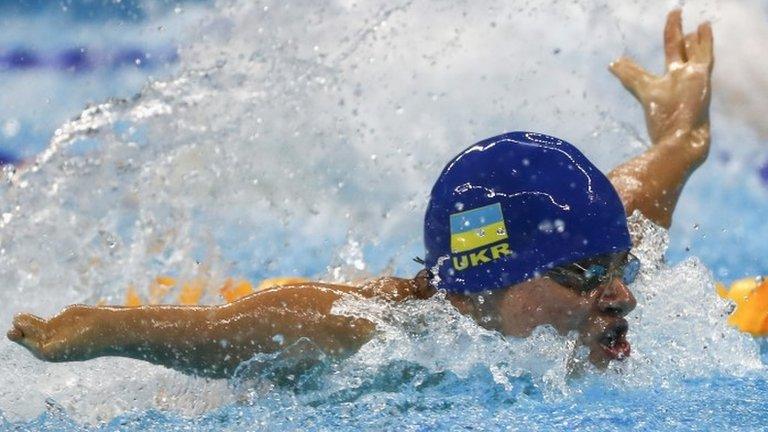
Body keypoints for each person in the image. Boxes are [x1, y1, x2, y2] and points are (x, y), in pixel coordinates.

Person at [6, 10, 713, 378]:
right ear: (475, 290)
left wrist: (678, 139)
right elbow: (258, 324)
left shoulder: (601, 242)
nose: (620, 296)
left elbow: (641, 191)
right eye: (582, 275)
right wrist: (110, 330)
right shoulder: (388, 339)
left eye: (620, 267)